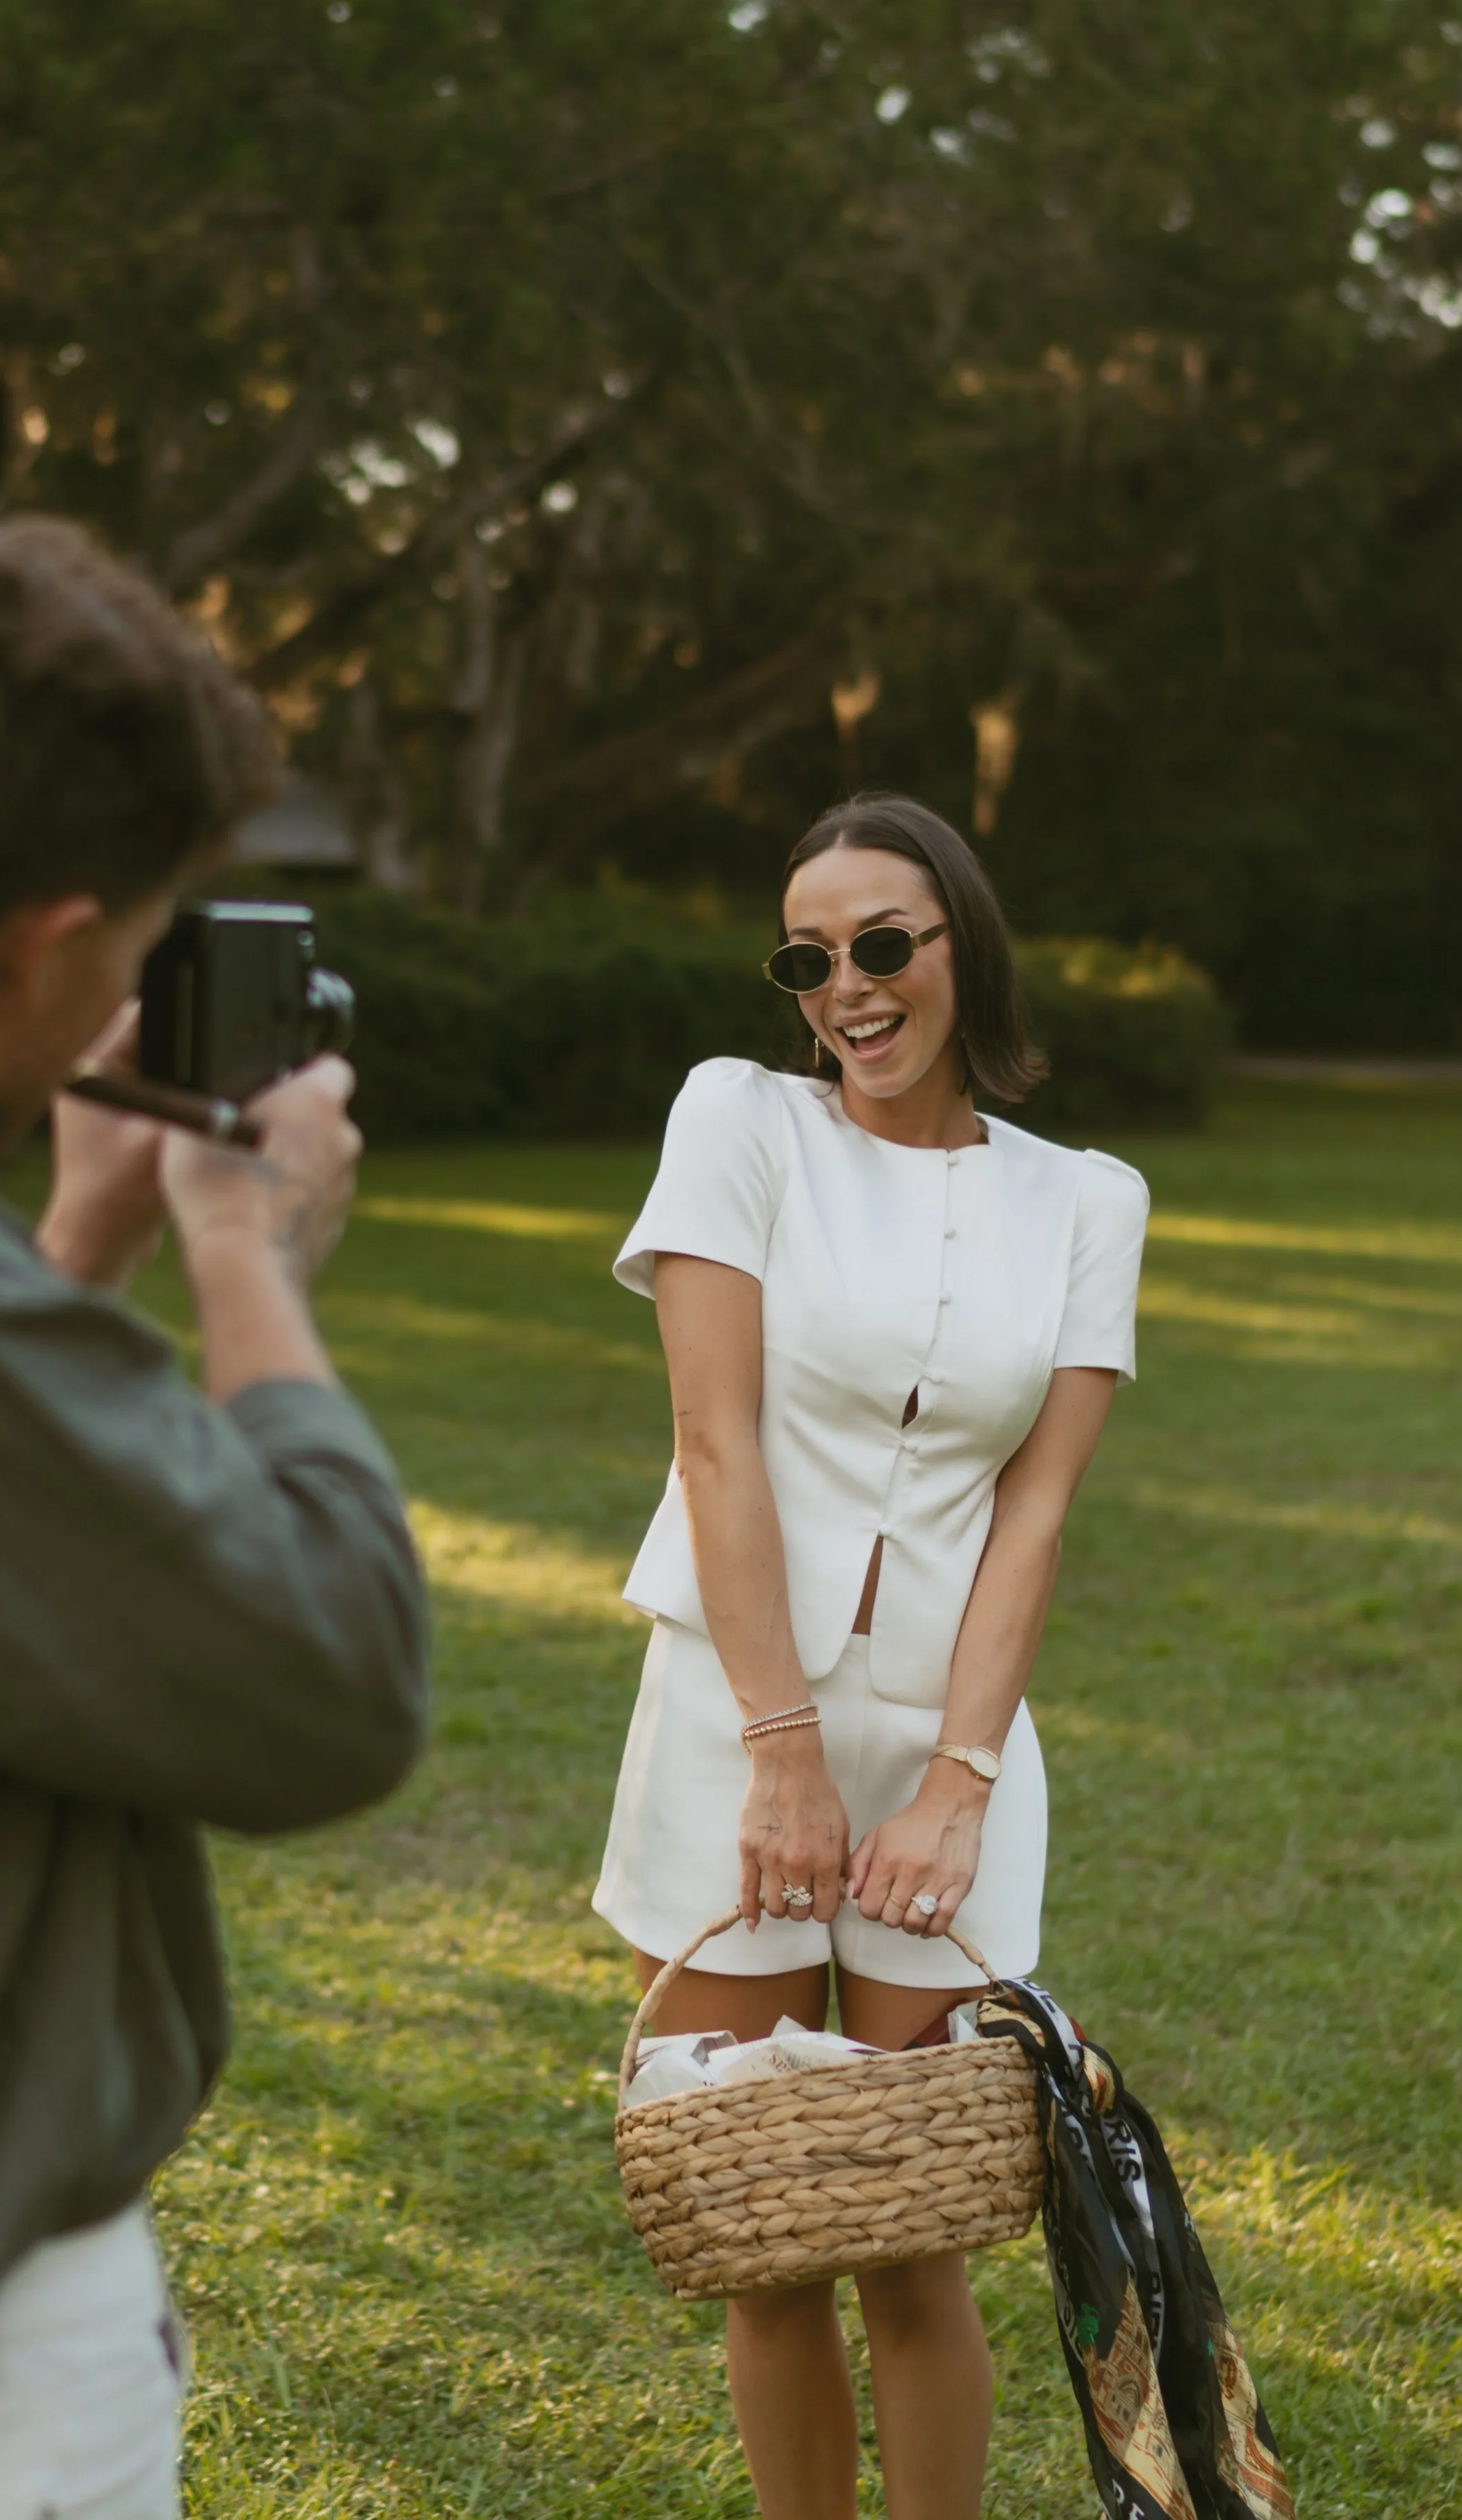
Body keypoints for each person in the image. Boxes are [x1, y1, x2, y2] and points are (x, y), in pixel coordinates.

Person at [0, 506, 429, 2519]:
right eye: (130, 934)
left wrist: (72, 1238)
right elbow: (331, 1670)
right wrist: (246, 1253)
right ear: (37, 940)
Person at [594, 793, 1149, 2520]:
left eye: (882, 942)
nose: (846, 983)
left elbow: (1033, 1514)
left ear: (958, 945)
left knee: (909, 2237)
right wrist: (777, 1753)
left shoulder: (1085, 1200)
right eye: (808, 955)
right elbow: (714, 1443)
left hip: (946, 1757)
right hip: (726, 1728)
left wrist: (952, 1786)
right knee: (766, 2222)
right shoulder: (736, 1122)